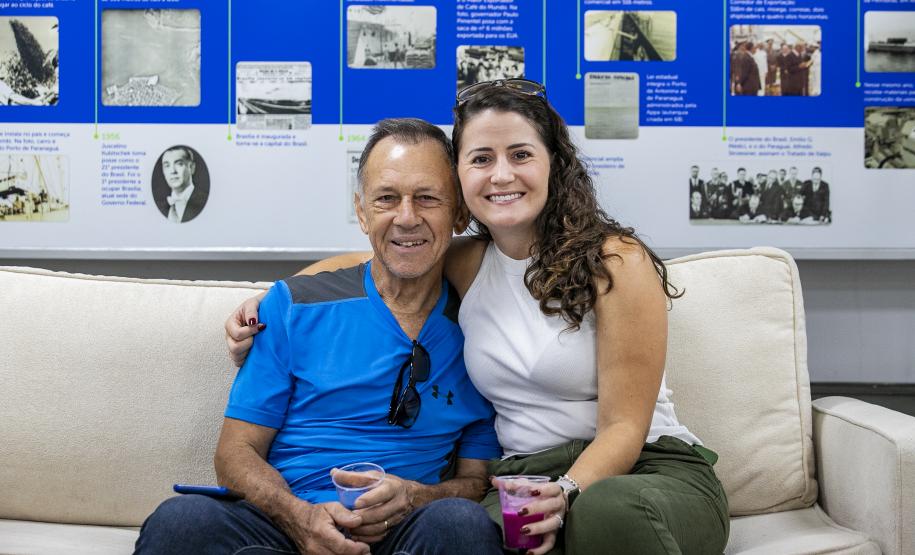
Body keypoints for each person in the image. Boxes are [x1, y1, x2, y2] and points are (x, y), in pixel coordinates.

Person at [227, 80, 729, 555]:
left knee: (606, 511)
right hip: (521, 477)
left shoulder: (615, 261)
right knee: (465, 532)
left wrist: (568, 490)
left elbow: (624, 426)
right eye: (481, 159)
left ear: (554, 163)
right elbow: (380, 255)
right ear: (462, 180)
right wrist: (266, 299)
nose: (502, 175)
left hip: (640, 471)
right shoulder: (469, 263)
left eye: (521, 155)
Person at [136, 119, 505, 555]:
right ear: (362, 211)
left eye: (427, 198)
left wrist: (414, 497)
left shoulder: (483, 332)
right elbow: (234, 455)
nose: (407, 217)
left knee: (462, 525)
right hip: (286, 527)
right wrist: (300, 518)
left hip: (406, 530)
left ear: (459, 213)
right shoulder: (294, 305)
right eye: (387, 199)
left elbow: (476, 480)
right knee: (181, 523)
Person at [152, 146, 209, 223]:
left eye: (179, 164)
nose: (173, 171)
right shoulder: (159, 206)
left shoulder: (206, 201)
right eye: (167, 166)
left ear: (191, 167)